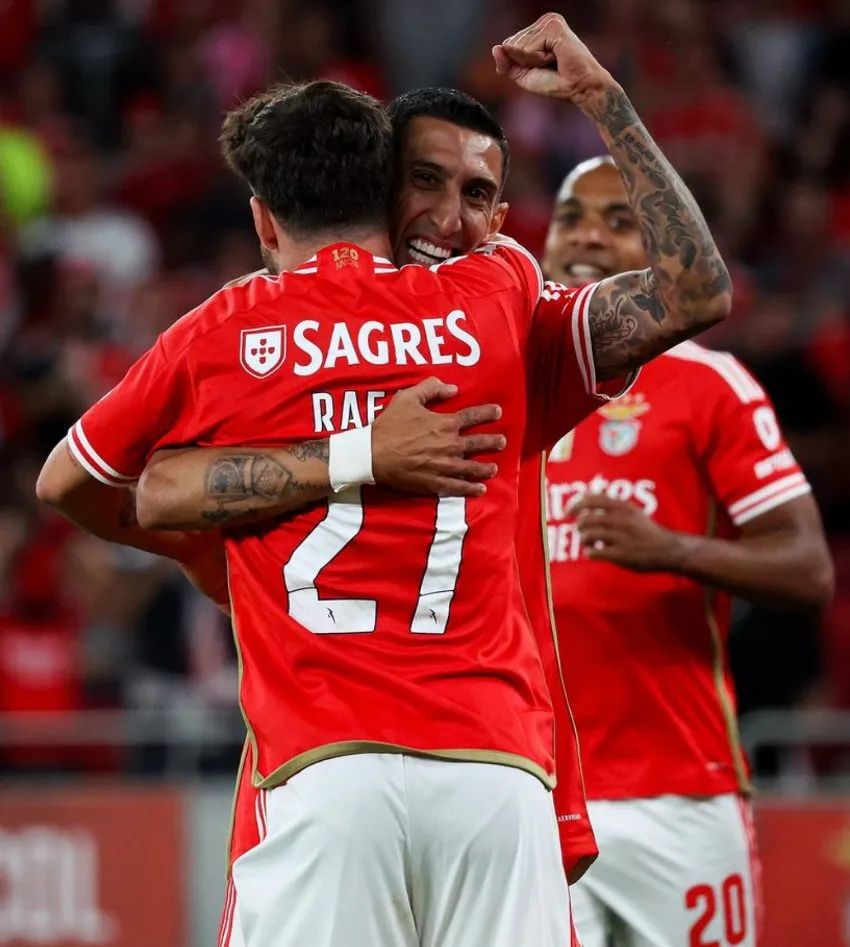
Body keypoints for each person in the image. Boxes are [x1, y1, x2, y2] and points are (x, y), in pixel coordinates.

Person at [38, 12, 733, 945]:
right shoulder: (498, 294)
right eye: (429, 184)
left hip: (340, 769)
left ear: (263, 219)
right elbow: (697, 289)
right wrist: (603, 100)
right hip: (488, 771)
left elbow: (113, 486)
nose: (454, 219)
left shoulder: (238, 326)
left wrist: (237, 532)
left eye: (480, 194)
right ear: (378, 188)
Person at [542, 154, 835, 947]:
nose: (589, 236)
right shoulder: (496, 387)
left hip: (676, 793)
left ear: (660, 249)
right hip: (527, 793)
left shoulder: (710, 385)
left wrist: (669, 547)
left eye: (619, 218)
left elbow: (808, 571)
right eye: (571, 216)